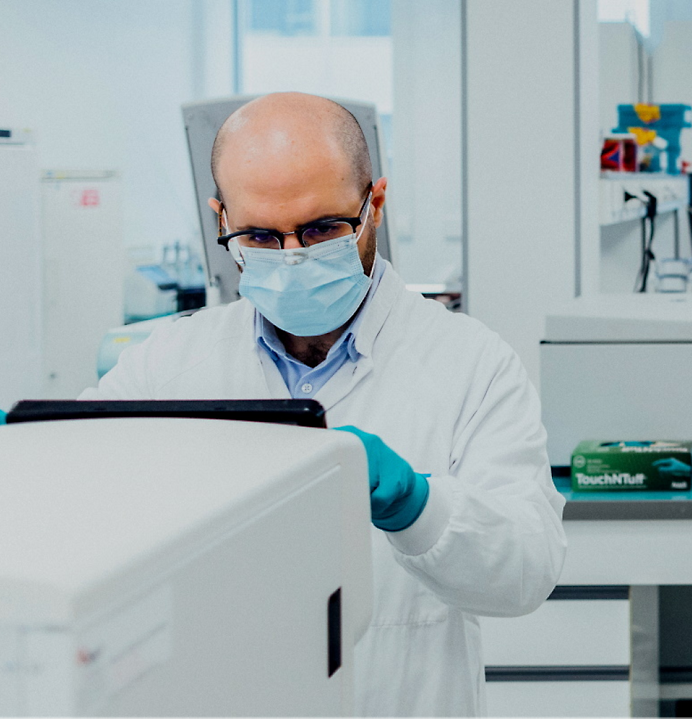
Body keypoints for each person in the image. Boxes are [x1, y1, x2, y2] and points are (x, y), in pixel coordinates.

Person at [83, 92, 566, 716]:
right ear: (220, 217)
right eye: (258, 235)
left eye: (321, 229)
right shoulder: (168, 364)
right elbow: (73, 492)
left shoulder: (470, 362)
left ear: (375, 206)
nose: (292, 257)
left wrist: (415, 505)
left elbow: (526, 571)